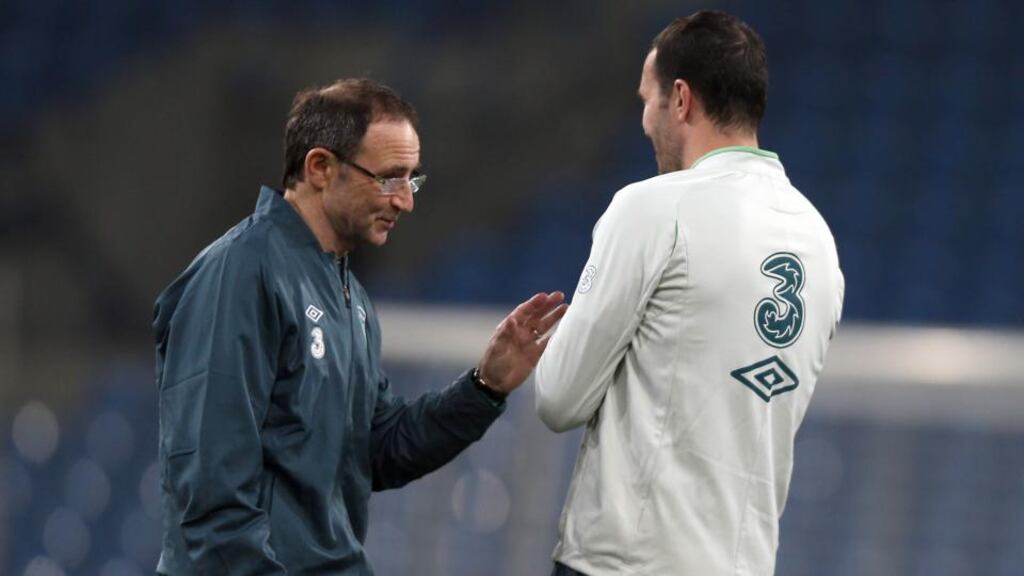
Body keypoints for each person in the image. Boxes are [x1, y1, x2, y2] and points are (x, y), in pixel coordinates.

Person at [153, 78, 566, 574]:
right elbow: (211, 492)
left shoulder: (351, 298)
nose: (405, 201)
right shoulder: (241, 274)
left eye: (412, 180)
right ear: (320, 168)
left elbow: (380, 449)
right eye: (389, 178)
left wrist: (485, 387)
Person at [534, 10, 845, 576]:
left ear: (680, 99)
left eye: (646, 101)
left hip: (625, 563)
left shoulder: (654, 208)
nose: (645, 121)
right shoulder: (819, 242)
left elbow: (559, 398)